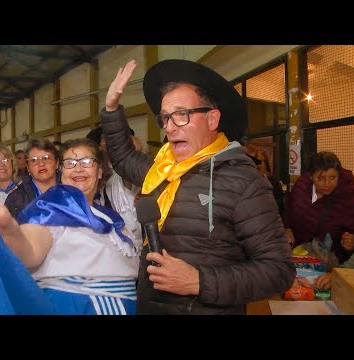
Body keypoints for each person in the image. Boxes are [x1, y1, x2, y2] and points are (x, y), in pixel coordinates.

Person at [100, 59, 295, 315]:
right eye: (166, 117)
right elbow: (124, 158)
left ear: (212, 119)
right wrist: (112, 108)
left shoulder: (244, 182)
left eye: (181, 115)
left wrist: (198, 282)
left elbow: (278, 270)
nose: (169, 127)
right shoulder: (162, 171)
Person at [0, 138, 140, 315]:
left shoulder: (112, 217)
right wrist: (9, 227)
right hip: (74, 308)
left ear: (100, 171)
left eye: (86, 161)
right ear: (61, 169)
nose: (78, 169)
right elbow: (29, 252)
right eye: (70, 163)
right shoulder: (49, 207)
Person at [284, 151, 354, 264]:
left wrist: (352, 243)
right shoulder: (301, 185)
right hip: (294, 255)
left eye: (332, 177)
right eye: (320, 178)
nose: (327, 184)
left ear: (339, 175)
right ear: (311, 177)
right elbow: (289, 207)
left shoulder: (347, 198)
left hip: (326, 264)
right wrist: (287, 227)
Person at [5, 138, 59, 219]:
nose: (41, 164)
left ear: (57, 163)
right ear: (28, 167)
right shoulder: (15, 199)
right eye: (34, 160)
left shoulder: (71, 194)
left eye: (46, 158)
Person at [245, 143, 285, 218]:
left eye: (259, 162)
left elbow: (280, 206)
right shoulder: (241, 184)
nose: (256, 166)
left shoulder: (274, 183)